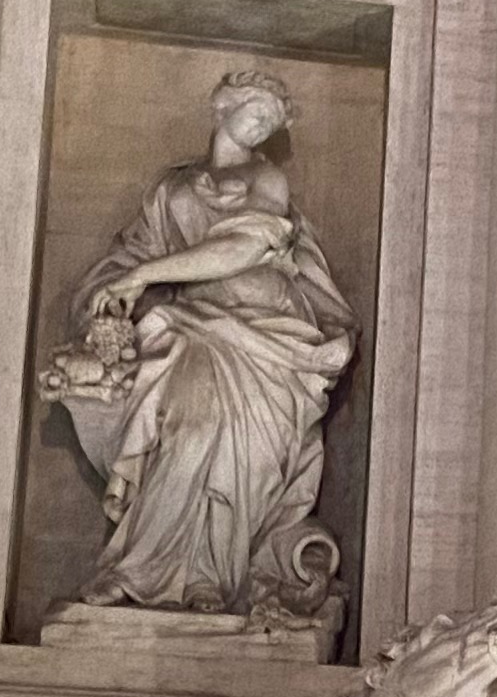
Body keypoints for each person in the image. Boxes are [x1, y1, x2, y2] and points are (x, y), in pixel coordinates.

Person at [48, 67, 355, 621]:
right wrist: (112, 296)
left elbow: (241, 248)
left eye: (271, 121)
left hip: (271, 337)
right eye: (254, 112)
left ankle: (212, 578)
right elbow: (127, 259)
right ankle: (140, 570)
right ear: (223, 106)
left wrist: (143, 278)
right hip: (194, 328)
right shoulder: (171, 189)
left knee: (240, 447)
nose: (261, 127)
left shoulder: (268, 182)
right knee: (192, 424)